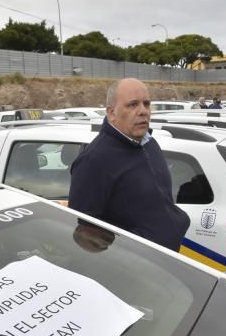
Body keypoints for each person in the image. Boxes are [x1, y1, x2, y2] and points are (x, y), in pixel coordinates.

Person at [69, 78, 190, 251]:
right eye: (133, 105)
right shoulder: (94, 160)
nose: (143, 111)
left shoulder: (149, 143)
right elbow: (86, 234)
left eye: (146, 104)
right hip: (140, 265)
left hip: (168, 257)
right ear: (111, 113)